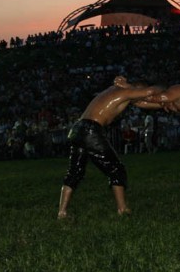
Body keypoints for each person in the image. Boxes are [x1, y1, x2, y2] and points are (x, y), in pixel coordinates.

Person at [57, 76, 163, 219]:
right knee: (116, 169)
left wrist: (167, 104)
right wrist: (166, 91)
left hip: (77, 129)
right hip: (91, 129)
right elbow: (151, 91)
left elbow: (144, 103)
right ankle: (122, 209)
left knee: (74, 172)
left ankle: (62, 212)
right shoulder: (127, 91)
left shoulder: (117, 92)